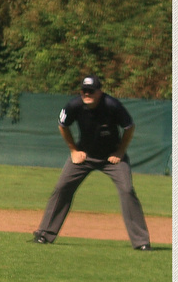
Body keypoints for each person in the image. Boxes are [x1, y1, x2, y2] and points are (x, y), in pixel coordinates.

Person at [32, 75, 151, 249]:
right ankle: (44, 234)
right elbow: (62, 125)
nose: (87, 94)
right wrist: (73, 150)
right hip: (84, 155)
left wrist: (120, 151)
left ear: (100, 92)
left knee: (127, 190)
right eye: (84, 90)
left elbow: (129, 127)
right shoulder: (74, 106)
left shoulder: (112, 105)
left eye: (91, 91)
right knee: (62, 187)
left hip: (112, 158)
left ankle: (141, 242)